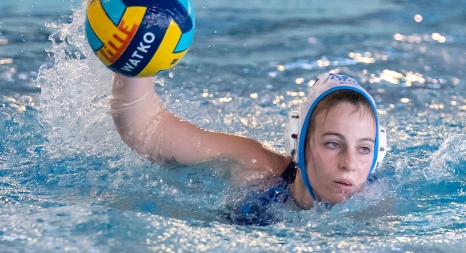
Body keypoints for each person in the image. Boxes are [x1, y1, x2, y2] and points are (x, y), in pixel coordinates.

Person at [110, 72, 387, 225]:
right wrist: (135, 62)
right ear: (298, 143)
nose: (349, 163)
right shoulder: (255, 167)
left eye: (364, 149)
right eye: (333, 144)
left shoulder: (376, 207)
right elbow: (146, 130)